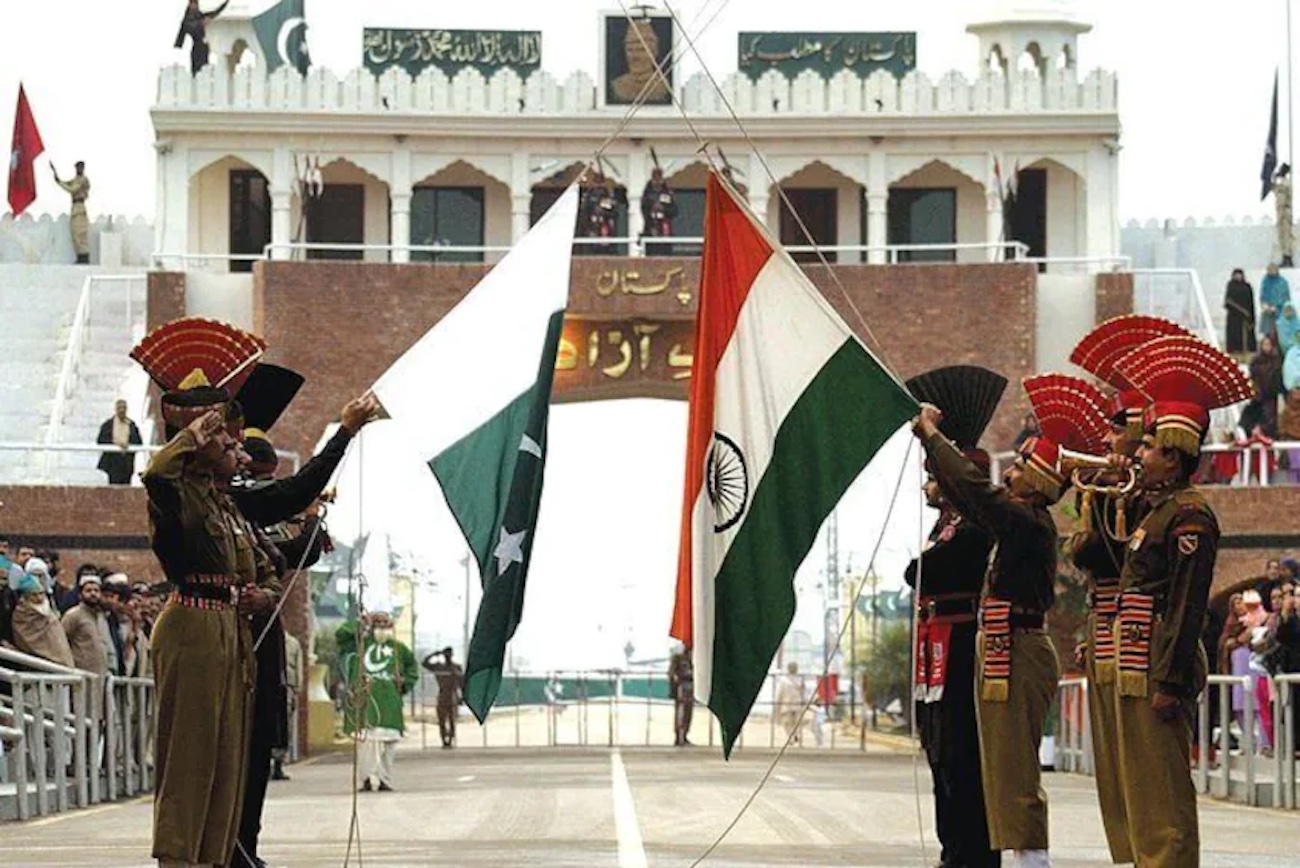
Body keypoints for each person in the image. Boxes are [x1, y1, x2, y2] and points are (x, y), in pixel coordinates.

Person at [913, 372, 1108, 868]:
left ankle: (1031, 859)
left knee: (1016, 767)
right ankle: (1015, 853)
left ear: (1040, 481)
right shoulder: (1020, 519)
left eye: (1022, 465)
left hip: (1019, 650)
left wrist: (934, 438)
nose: (1012, 471)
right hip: (1003, 648)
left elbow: (977, 494)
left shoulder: (1026, 519)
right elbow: (974, 497)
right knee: (997, 764)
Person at [134, 316, 277, 868]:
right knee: (190, 757)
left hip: (227, 628)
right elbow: (157, 476)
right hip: (191, 626)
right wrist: (190, 436)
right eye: (220, 436)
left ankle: (213, 857)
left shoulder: (223, 503)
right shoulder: (178, 493)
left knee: (226, 759)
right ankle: (177, 857)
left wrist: (263, 595)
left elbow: (265, 567)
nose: (231, 445)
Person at [1107, 333, 1252, 866]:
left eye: (1147, 447)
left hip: (1160, 664)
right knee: (1143, 788)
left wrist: (1169, 681)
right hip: (1138, 659)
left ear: (1175, 456)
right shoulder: (1158, 510)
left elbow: (1189, 604)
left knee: (1163, 791)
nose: (1139, 454)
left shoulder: (1191, 516)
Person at [903, 364, 1005, 868]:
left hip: (962, 650)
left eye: (934, 476)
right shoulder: (948, 526)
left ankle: (973, 853)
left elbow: (923, 572)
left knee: (963, 758)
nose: (927, 485)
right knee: (939, 756)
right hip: (936, 649)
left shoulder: (975, 526)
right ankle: (953, 851)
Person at [338, 611, 417, 792]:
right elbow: (341, 635)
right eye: (378, 623)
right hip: (365, 704)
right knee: (365, 744)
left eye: (385, 624)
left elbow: (413, 670)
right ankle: (365, 779)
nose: (382, 627)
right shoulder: (359, 646)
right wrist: (360, 622)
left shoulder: (399, 649)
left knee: (389, 746)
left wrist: (404, 683)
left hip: (389, 706)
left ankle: (385, 780)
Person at [11, 560, 75, 667]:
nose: (39, 598)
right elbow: (26, 638)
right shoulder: (22, 612)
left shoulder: (49, 605)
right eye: (34, 595)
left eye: (41, 594)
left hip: (61, 659)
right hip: (37, 665)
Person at [611, 17, 668, 104]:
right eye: (630, 49)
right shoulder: (616, 86)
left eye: (641, 50)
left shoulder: (666, 86)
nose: (635, 57)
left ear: (654, 52)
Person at [272, 629, 303, 781]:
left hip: (287, 687)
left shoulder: (292, 643)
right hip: (269, 686)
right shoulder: (268, 639)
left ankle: (279, 764)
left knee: (286, 726)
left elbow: (298, 667)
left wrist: (297, 689)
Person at [421, 646, 464, 749]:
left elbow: (462, 683)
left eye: (449, 654)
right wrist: (435, 654)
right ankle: (444, 740)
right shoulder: (439, 667)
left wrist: (461, 696)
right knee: (442, 720)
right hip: (442, 694)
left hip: (453, 695)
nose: (447, 657)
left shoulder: (457, 667)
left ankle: (451, 739)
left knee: (452, 719)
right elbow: (424, 663)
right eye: (445, 655)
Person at [50, 161, 91, 264]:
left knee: (80, 233)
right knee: (75, 234)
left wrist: (60, 183)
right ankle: (79, 255)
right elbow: (66, 183)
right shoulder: (76, 179)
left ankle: (84, 257)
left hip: (80, 207)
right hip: (74, 207)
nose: (79, 169)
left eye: (80, 167)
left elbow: (72, 189)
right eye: (77, 167)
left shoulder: (83, 180)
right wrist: (56, 176)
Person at [174, 0, 230, 75]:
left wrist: (226, 3)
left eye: (195, 4)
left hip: (204, 47)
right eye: (192, 4)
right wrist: (201, 24)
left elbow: (215, 12)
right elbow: (182, 36)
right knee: (196, 71)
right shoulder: (187, 20)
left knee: (205, 70)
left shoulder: (200, 15)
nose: (194, 6)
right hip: (197, 49)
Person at [97, 399, 143, 485]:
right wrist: (116, 444)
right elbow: (100, 440)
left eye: (124, 408)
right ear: (116, 409)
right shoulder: (108, 425)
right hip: (113, 461)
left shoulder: (131, 425)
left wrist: (128, 445)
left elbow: (139, 442)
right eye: (119, 408)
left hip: (127, 462)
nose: (122, 410)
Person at [1249, 336, 1285, 437]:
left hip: (1271, 394)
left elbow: (1277, 376)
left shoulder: (1276, 359)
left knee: (1271, 419)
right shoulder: (1256, 360)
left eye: (1269, 345)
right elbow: (1253, 376)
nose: (1267, 347)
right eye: (1265, 344)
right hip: (1259, 394)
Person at [640, 166, 677, 252]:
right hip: (651, 230)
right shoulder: (647, 194)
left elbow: (674, 211)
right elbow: (644, 211)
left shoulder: (668, 193)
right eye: (655, 177)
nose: (657, 180)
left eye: (659, 177)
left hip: (665, 230)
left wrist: (663, 208)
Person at [1224, 268, 1257, 357]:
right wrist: (1240, 310)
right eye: (1236, 274)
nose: (1238, 276)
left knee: (1247, 338)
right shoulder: (1230, 286)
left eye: (1240, 274)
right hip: (1234, 318)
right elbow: (1228, 301)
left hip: (1246, 317)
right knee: (1234, 337)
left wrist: (1251, 316)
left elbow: (1251, 302)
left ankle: (1246, 356)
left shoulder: (1247, 286)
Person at [668, 643, 694, 747]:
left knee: (688, 714)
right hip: (681, 688)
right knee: (680, 714)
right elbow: (672, 673)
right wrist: (674, 687)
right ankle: (679, 737)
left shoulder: (692, 658)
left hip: (690, 688)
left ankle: (685, 736)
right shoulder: (677, 657)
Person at [775, 662, 805, 744]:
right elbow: (803, 692)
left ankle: (791, 737)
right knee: (797, 722)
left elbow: (780, 694)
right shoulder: (800, 679)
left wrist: (777, 704)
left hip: (787, 704)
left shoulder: (783, 680)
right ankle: (796, 735)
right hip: (797, 703)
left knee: (787, 722)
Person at [1260, 263, 1291, 342]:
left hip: (1279, 311)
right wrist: (1265, 305)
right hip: (1267, 311)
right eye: (1270, 269)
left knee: (1279, 332)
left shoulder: (1282, 281)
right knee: (1268, 332)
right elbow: (1263, 294)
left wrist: (1277, 307)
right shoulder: (1265, 281)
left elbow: (1285, 297)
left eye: (1273, 269)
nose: (1272, 271)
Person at [1275, 165, 1294, 267]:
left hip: (1284, 213)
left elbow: (1281, 201)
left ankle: (1287, 257)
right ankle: (1286, 256)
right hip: (1284, 212)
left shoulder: (1284, 183)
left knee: (1285, 236)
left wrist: (1280, 216)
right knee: (1284, 236)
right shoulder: (1283, 183)